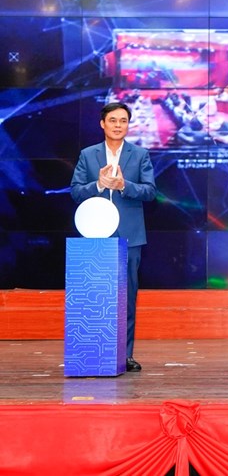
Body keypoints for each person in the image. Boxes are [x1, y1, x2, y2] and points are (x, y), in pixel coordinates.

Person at [70, 102, 157, 373]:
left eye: (123, 121)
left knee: (127, 298)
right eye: (113, 120)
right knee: (95, 297)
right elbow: (75, 192)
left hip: (130, 235)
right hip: (94, 234)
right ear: (102, 124)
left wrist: (123, 185)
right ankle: (94, 352)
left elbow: (150, 192)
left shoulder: (140, 155)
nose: (118, 125)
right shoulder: (88, 155)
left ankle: (125, 355)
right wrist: (98, 185)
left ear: (128, 125)